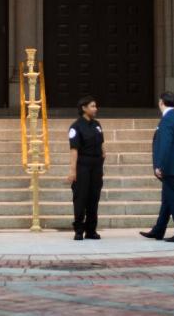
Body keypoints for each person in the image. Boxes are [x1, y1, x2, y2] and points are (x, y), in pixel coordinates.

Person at [139, 91, 174, 242]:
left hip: (170, 166)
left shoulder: (167, 120)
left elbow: (165, 144)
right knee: (167, 199)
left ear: (161, 102)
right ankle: (158, 230)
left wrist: (159, 165)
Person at [66, 95, 105, 240]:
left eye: (95, 106)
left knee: (94, 197)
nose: (95, 109)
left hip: (96, 166)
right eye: (92, 106)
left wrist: (103, 156)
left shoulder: (97, 124)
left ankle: (91, 230)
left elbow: (102, 144)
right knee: (81, 197)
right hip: (82, 165)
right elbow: (74, 149)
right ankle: (78, 229)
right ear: (84, 108)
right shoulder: (75, 127)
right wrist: (72, 170)